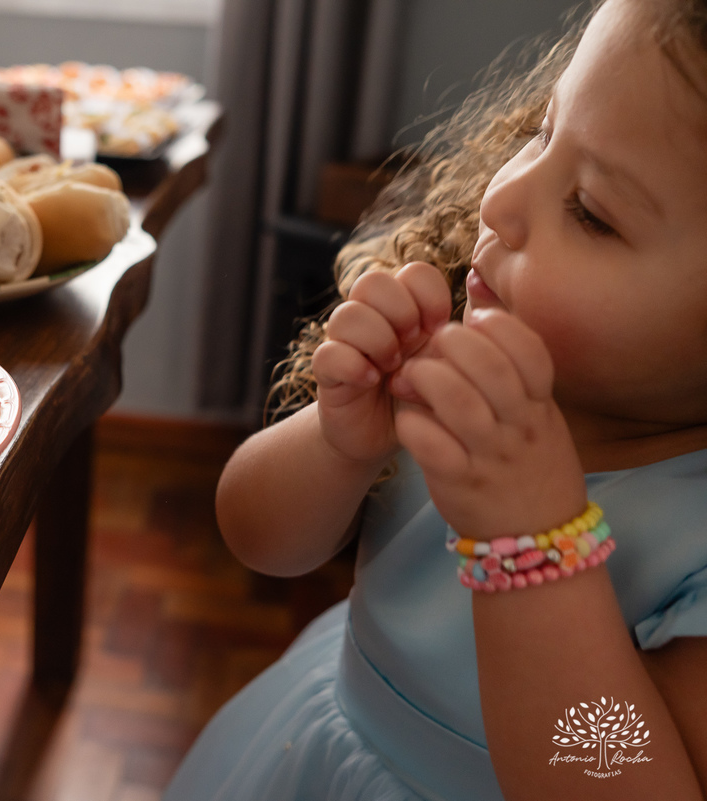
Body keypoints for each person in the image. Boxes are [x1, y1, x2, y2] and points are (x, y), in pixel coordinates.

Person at [163, 0, 707, 799]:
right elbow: (256, 538)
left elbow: (611, 776)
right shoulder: (460, 379)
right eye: (541, 133)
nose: (501, 200)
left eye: (591, 213)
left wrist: (534, 545)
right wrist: (338, 445)